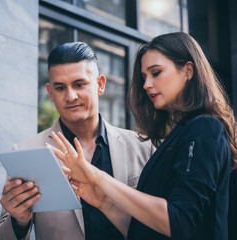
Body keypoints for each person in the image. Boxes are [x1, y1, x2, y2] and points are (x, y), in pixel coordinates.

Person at [48, 32, 237, 240]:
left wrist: (99, 177)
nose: (146, 84)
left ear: (188, 71)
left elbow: (180, 222)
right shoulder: (179, 135)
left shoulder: (204, 128)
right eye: (144, 77)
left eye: (156, 73)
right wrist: (104, 203)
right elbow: (148, 232)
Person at [0, 42, 155, 240]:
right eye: (60, 88)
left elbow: (159, 226)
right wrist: (19, 221)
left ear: (100, 84)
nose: (70, 96)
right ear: (50, 93)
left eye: (79, 84)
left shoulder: (144, 147)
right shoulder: (26, 151)